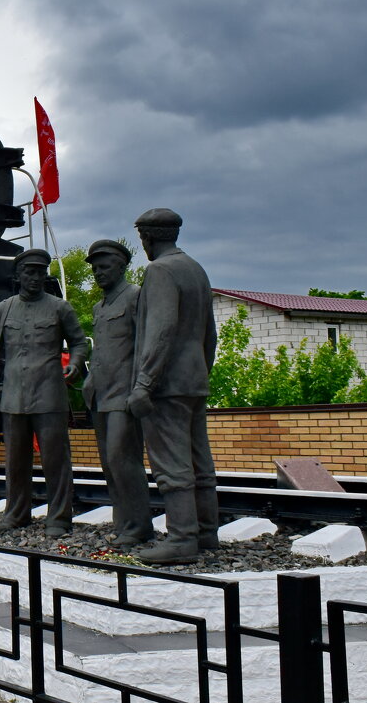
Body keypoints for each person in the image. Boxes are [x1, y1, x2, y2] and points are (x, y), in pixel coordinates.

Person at [0, 248, 88, 536]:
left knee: (55, 460)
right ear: (19, 275)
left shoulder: (60, 308)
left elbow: (79, 342)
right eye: (30, 272)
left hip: (49, 395)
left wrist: (75, 364)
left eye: (40, 272)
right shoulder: (5, 308)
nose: (36, 278)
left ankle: (59, 518)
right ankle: (16, 514)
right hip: (13, 396)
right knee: (15, 461)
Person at [127, 208, 219, 565]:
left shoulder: (160, 271)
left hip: (166, 383)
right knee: (199, 461)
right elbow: (209, 333)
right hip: (193, 380)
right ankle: (206, 532)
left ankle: (182, 539)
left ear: (147, 237)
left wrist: (144, 383)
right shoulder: (196, 269)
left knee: (172, 463)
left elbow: (160, 331)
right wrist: (201, 372)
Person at [82, 240, 152, 546]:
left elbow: (146, 346)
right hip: (100, 394)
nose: (98, 273)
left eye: (104, 267)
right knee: (110, 464)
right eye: (95, 269)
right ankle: (123, 523)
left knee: (123, 460)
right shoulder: (99, 307)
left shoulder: (135, 297)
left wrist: (141, 388)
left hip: (124, 393)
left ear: (121, 267)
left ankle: (139, 526)